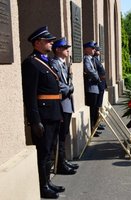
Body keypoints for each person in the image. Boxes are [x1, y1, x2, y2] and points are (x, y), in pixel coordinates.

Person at [21, 26, 64, 198]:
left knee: (50, 150)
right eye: (47, 41)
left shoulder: (45, 61)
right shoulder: (31, 63)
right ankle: (42, 186)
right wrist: (34, 120)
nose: (51, 42)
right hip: (43, 116)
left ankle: (48, 182)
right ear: (37, 43)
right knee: (43, 151)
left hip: (53, 113)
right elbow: (30, 95)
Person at [51, 37, 78, 175]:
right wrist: (69, 88)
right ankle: (60, 164)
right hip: (61, 103)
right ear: (57, 50)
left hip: (67, 103)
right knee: (61, 134)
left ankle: (63, 160)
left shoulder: (63, 64)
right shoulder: (54, 64)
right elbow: (58, 84)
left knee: (64, 133)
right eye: (64, 47)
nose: (68, 50)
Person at [83, 41, 101, 137]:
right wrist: (97, 77)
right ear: (86, 49)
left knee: (94, 110)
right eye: (92, 48)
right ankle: (92, 129)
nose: (94, 50)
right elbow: (89, 70)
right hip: (91, 88)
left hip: (94, 88)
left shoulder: (91, 59)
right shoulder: (86, 58)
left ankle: (94, 128)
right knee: (92, 110)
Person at [93, 43, 106, 132]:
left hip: (101, 85)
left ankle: (97, 123)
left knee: (98, 106)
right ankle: (95, 125)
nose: (98, 51)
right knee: (96, 107)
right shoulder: (93, 60)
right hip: (98, 85)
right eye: (97, 50)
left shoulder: (96, 59)